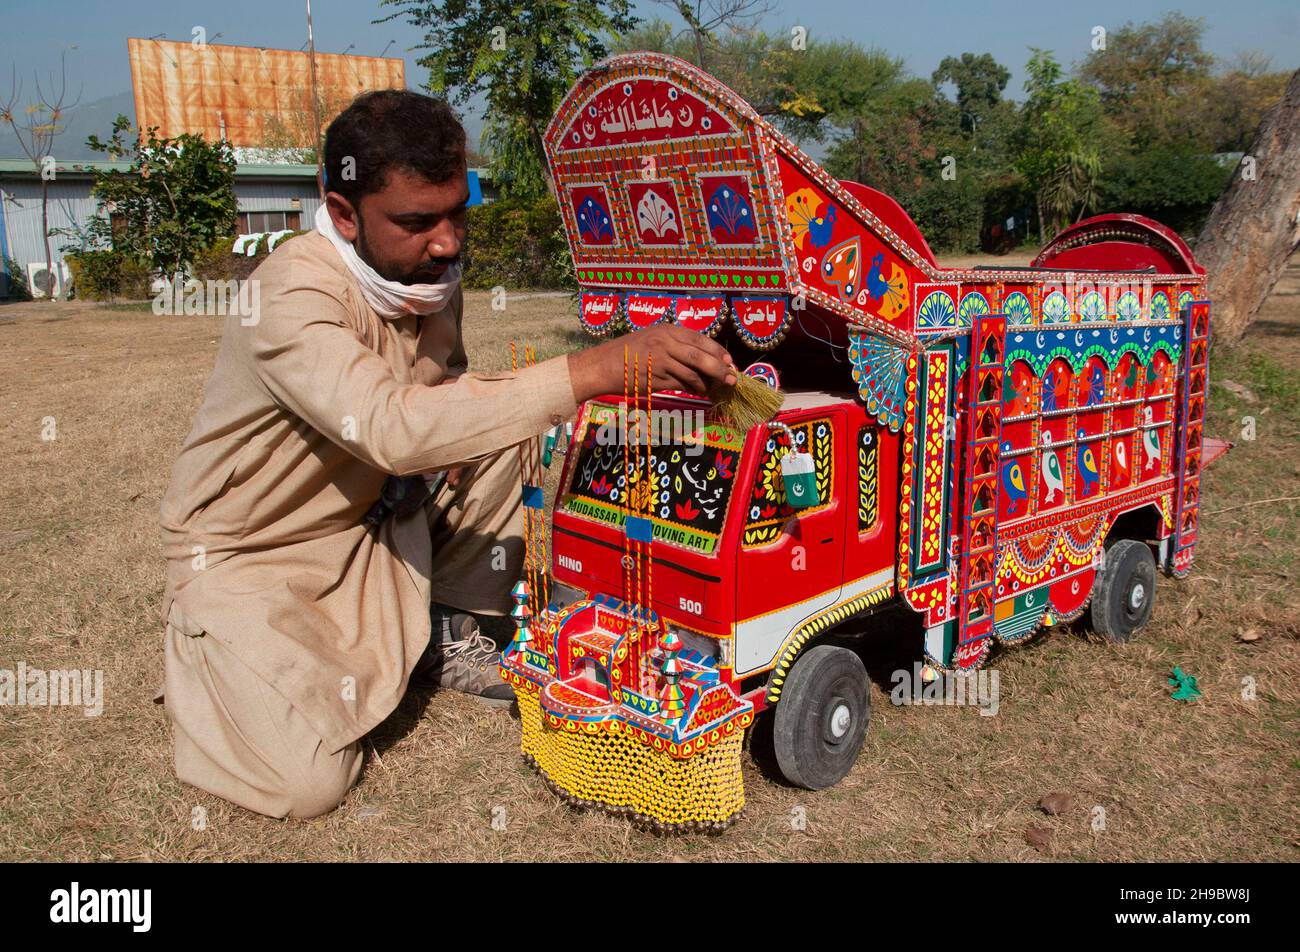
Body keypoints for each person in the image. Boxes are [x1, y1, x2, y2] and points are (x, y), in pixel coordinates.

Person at [157, 89, 736, 819]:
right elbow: (387, 428)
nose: (448, 242)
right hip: (256, 555)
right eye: (416, 222)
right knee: (306, 784)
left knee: (499, 421)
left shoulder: (428, 280)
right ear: (343, 215)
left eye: (457, 211)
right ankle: (210, 648)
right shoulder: (288, 293)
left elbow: (452, 387)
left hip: (375, 515)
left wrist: (456, 436)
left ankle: (445, 631)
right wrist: (594, 370)